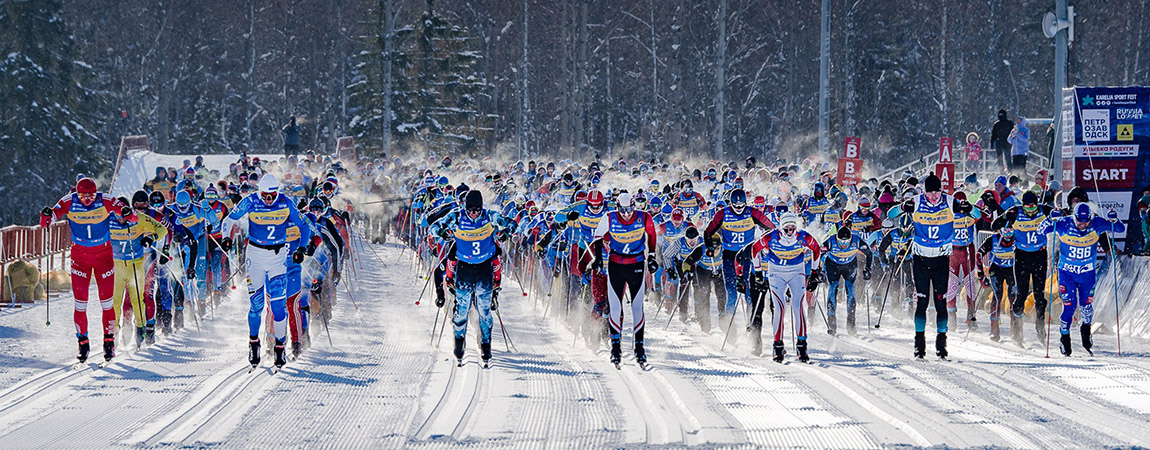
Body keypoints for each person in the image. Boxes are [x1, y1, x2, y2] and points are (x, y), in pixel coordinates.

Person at [220, 174, 313, 369]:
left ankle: (280, 347)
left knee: (278, 305)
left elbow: (304, 227)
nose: (268, 199)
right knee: (257, 306)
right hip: (255, 255)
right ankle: (254, 342)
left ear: (277, 192)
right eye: (265, 195)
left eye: (272, 195)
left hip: (278, 257)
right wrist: (225, 238)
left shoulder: (286, 203)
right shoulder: (251, 201)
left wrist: (301, 249)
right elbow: (229, 219)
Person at [40, 178, 127, 363]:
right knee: (80, 303)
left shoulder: (105, 200)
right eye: (83, 196)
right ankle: (83, 343)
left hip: (104, 257)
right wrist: (47, 215)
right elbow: (48, 220)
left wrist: (126, 213)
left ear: (96, 193)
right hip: (80, 259)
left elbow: (126, 212)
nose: (87, 199)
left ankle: (109, 342)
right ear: (77, 194)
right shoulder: (69, 201)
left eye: (91, 195)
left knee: (107, 303)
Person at [432, 190, 507, 367]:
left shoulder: (489, 216)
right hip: (464, 269)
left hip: (483, 270)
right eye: (470, 209)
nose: (474, 213)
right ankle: (459, 343)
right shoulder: (457, 216)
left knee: (484, 311)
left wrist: (505, 231)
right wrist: (442, 233)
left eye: (477, 209)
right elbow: (434, 227)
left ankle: (486, 345)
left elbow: (510, 224)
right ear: (465, 207)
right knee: (461, 311)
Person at [591, 192, 658, 366]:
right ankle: (615, 348)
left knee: (637, 306)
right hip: (616, 264)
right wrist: (598, 258)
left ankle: (639, 348)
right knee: (615, 307)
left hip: (636, 263)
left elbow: (652, 235)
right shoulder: (609, 217)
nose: (627, 213)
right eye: (623, 210)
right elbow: (598, 236)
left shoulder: (644, 217)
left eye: (630, 209)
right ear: (617, 207)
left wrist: (651, 256)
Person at [745, 212, 821, 362]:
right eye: (786, 229)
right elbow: (754, 250)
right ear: (781, 229)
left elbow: (816, 249)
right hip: (776, 272)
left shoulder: (803, 237)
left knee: (798, 305)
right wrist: (759, 272)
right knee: (779, 308)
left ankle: (802, 344)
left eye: (793, 228)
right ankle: (778, 345)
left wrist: (814, 273)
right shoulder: (771, 237)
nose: (790, 231)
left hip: (796, 271)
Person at [1052, 204, 1125, 356]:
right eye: (1080, 221)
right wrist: (1051, 219)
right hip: (1067, 274)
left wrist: (1114, 219)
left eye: (1086, 221)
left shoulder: (1096, 223)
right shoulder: (1065, 223)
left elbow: (1119, 229)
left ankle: (1086, 330)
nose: (1083, 224)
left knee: (1087, 308)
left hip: (1087, 275)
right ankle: (1064, 338)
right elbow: (1041, 230)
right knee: (1069, 308)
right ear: (1074, 217)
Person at [108, 198, 168, 347]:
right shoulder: (107, 220)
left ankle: (141, 329)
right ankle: (113, 334)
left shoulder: (138, 218)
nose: (121, 219)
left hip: (137, 265)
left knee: (139, 299)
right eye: (117, 215)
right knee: (115, 302)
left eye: (124, 215)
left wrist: (150, 237)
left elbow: (162, 229)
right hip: (117, 266)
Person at [909, 174, 956, 359]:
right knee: (921, 302)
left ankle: (941, 344)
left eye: (937, 192)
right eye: (930, 193)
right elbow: (891, 214)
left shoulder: (950, 201)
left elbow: (975, 214)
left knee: (940, 303)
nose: (934, 196)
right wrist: (903, 207)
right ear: (924, 192)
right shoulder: (916, 200)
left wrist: (968, 208)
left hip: (941, 260)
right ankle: (919, 345)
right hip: (920, 260)